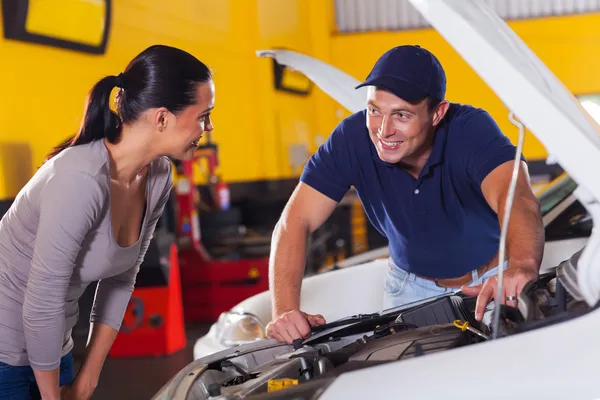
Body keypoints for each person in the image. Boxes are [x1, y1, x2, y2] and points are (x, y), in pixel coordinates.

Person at [265, 45, 544, 344]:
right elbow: (294, 220)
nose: (384, 131)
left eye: (401, 115)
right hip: (409, 291)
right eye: (374, 110)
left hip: (491, 282)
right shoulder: (351, 139)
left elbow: (516, 195)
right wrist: (284, 311)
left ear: (438, 113)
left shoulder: (471, 130)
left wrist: (521, 266)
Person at [0, 44, 215, 399]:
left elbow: (122, 278)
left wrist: (88, 377)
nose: (208, 126)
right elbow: (42, 301)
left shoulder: (158, 175)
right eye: (204, 115)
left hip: (53, 346)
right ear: (162, 118)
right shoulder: (80, 178)